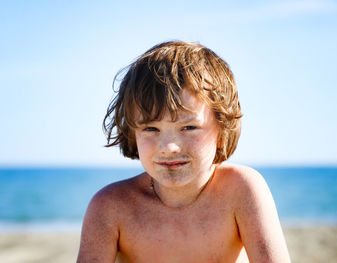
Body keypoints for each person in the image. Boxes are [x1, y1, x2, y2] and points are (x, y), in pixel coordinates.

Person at [77, 41, 291, 263]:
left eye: (189, 128)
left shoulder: (241, 191)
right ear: (133, 133)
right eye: (151, 128)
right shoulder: (111, 207)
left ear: (222, 128)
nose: (169, 148)